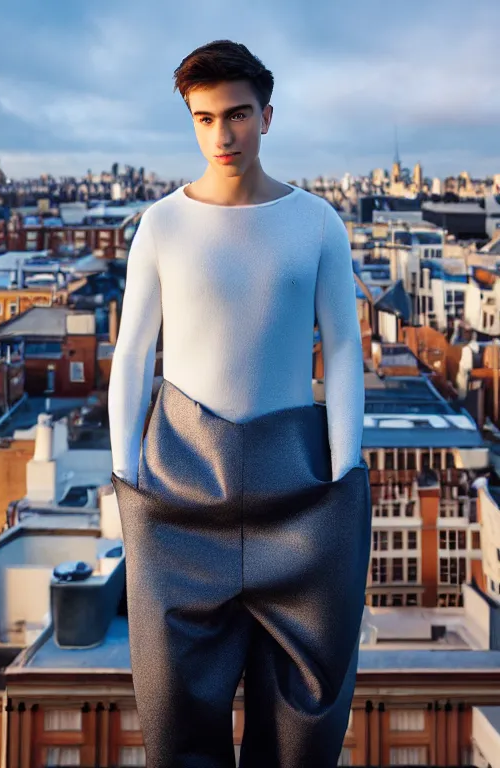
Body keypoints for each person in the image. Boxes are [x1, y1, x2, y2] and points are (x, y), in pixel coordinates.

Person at [108, 39, 371, 768]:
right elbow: (132, 354)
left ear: (267, 115)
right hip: (178, 495)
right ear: (190, 120)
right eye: (204, 118)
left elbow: (344, 351)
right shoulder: (161, 225)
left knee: (304, 726)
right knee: (175, 717)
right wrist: (128, 487)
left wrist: (345, 480)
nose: (222, 135)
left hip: (303, 497)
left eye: (238, 115)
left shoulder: (319, 223)